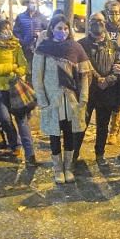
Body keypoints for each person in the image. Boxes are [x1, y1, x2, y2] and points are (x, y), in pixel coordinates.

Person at [33, 14, 91, 184]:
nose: (63, 31)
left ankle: (68, 168)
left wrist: (84, 98)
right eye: (59, 28)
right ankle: (58, 169)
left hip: (72, 99)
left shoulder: (76, 48)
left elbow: (84, 76)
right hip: (53, 100)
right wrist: (42, 99)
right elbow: (37, 76)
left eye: (66, 28)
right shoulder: (43, 48)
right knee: (54, 135)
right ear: (51, 29)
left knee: (70, 133)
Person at [0, 17, 37, 166]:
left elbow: (23, 66)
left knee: (22, 121)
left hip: (15, 88)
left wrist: (15, 69)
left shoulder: (15, 44)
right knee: (5, 119)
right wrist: (12, 67)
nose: (7, 31)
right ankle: (14, 144)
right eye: (3, 29)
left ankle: (30, 154)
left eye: (8, 28)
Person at [79, 12, 120, 165]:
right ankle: (73, 156)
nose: (97, 23)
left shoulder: (113, 45)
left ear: (105, 23)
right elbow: (83, 64)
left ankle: (100, 155)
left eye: (100, 21)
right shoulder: (82, 44)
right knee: (81, 124)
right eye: (93, 20)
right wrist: (98, 78)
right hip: (88, 91)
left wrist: (109, 79)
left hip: (107, 91)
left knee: (103, 125)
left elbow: (119, 66)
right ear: (88, 23)